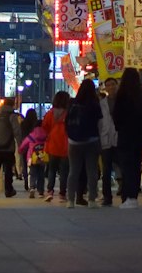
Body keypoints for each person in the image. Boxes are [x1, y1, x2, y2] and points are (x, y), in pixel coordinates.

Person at [111, 67, 142, 208]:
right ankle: (133, 196)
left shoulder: (122, 95)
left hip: (125, 136)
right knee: (135, 166)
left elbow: (116, 117)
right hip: (140, 137)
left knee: (127, 167)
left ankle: (128, 196)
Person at [66, 78, 102, 208]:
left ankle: (70, 200)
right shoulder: (94, 104)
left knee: (73, 171)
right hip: (91, 141)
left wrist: (70, 137)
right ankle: (92, 199)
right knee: (91, 171)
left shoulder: (73, 104)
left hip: (73, 142)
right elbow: (100, 123)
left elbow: (67, 123)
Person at [0, 96, 21, 198]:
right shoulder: (12, 116)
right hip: (8, 147)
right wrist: (20, 144)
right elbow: (17, 132)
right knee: (8, 170)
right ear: (12, 105)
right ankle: (8, 190)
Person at [42, 91, 71, 201]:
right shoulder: (68, 113)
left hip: (52, 144)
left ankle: (49, 191)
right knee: (64, 171)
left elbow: (45, 126)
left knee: (51, 169)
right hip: (65, 144)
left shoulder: (50, 113)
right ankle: (62, 194)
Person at [98, 78, 119, 206]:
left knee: (122, 166)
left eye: (113, 85)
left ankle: (125, 193)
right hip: (105, 139)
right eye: (108, 85)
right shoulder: (102, 104)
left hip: (118, 138)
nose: (111, 87)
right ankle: (107, 197)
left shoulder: (122, 102)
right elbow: (99, 123)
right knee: (106, 169)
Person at [19, 109, 46, 198]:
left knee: (32, 172)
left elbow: (24, 143)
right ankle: (41, 190)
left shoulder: (31, 133)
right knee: (41, 173)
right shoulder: (45, 134)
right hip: (42, 156)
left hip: (31, 156)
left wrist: (20, 150)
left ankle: (31, 187)